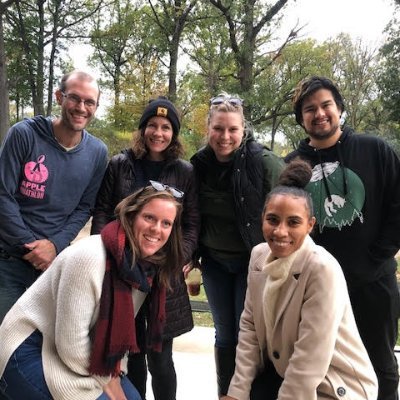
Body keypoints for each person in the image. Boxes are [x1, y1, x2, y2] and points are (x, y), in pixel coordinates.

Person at [0, 184, 185, 400]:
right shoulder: (90, 257)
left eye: (166, 223)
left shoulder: (144, 270)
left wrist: (114, 379)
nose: (156, 229)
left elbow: (118, 337)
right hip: (30, 347)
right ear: (132, 216)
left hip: (74, 351)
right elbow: (71, 345)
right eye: (149, 218)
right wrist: (109, 384)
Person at [222, 159, 378, 400]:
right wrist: (237, 392)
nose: (280, 231)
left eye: (293, 222)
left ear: (310, 225)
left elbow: (310, 357)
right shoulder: (258, 256)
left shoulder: (321, 269)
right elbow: (250, 329)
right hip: (283, 371)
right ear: (262, 218)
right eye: (272, 219)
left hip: (334, 383)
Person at [285, 76, 400, 400]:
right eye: (310, 109)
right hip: (319, 287)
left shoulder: (374, 150)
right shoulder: (294, 166)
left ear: (339, 108)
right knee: (322, 366)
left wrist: (380, 254)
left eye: (326, 105)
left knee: (381, 365)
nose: (319, 113)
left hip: (373, 282)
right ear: (301, 118)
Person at [91, 96, 199, 400]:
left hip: (164, 275)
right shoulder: (120, 164)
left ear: (174, 134)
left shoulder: (184, 172)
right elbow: (102, 210)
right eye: (152, 125)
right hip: (124, 271)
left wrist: (179, 258)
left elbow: (191, 223)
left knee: (161, 359)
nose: (158, 132)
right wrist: (106, 252)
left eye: (166, 127)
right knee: (133, 354)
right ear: (143, 129)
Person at [190, 93, 284, 398]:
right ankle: (225, 393)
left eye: (232, 129)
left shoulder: (263, 162)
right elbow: (189, 215)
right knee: (225, 334)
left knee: (252, 335)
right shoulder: (198, 165)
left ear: (243, 129)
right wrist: (190, 257)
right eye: (218, 128)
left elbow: (287, 210)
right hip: (215, 263)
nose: (225, 136)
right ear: (208, 128)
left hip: (253, 263)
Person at [0, 70, 108, 322]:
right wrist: (31, 247)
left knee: (44, 347)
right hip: (8, 259)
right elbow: (3, 195)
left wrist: (55, 245)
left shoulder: (97, 153)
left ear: (96, 106)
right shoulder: (24, 134)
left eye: (89, 102)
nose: (81, 107)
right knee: (4, 342)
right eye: (74, 98)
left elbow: (85, 207)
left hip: (53, 264)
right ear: (59, 97)